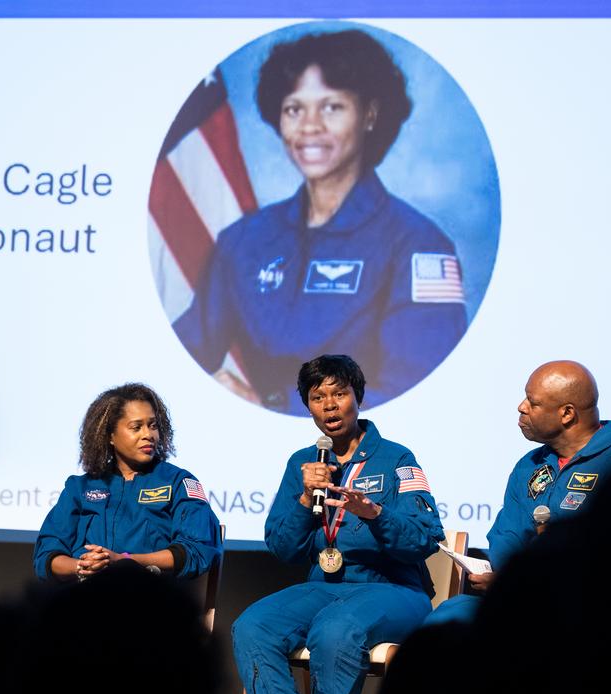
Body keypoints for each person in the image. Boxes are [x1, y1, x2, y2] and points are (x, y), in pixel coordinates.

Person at [173, 30, 468, 414]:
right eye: (294, 109)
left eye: (331, 107)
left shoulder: (418, 245)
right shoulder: (242, 241)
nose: (309, 125)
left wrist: (276, 410)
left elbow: (424, 395)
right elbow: (185, 354)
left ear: (370, 115)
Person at [233, 354, 444, 694]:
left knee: (335, 628)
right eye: (318, 397)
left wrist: (374, 513)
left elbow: (426, 535)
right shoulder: (303, 465)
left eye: (339, 393)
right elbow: (282, 547)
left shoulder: (396, 458)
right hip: (325, 586)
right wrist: (302, 501)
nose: (329, 405)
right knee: (252, 626)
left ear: (357, 398)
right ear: (308, 407)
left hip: (394, 589)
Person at [427, 360, 611, 624]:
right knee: (451, 616)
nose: (521, 407)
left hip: (587, 608)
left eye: (533, 402)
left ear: (567, 414)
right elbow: (508, 536)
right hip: (520, 598)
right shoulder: (530, 465)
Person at [33, 383, 222, 581]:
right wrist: (84, 566)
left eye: (153, 425)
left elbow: (197, 550)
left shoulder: (178, 482)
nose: (148, 435)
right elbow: (47, 555)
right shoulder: (79, 488)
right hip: (86, 600)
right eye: (136, 427)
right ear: (109, 436)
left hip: (153, 601)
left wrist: (124, 561)